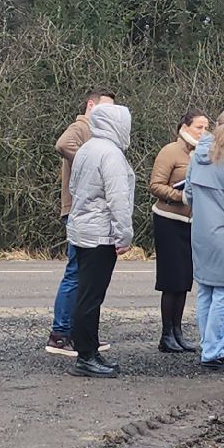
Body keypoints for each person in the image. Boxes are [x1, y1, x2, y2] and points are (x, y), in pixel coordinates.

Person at [64, 100, 135, 378]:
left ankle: (89, 351)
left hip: (82, 230)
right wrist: (124, 234)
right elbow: (118, 198)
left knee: (86, 293)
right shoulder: (111, 155)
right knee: (91, 297)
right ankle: (86, 356)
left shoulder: (87, 149)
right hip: (100, 235)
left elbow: (73, 187)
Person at [48, 88, 115, 357]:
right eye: (105, 108)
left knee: (85, 276)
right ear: (91, 105)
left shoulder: (98, 133)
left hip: (87, 213)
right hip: (77, 210)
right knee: (75, 272)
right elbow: (62, 145)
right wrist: (89, 162)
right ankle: (61, 333)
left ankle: (80, 333)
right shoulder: (80, 126)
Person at [187, 109, 224, 372]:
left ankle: (208, 345)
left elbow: (187, 194)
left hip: (199, 231)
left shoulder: (196, 157)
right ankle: (213, 350)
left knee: (206, 290)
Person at [148, 109, 208, 353]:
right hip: (168, 220)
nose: (203, 132)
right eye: (198, 128)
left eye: (206, 128)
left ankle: (178, 331)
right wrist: (181, 195)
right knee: (171, 280)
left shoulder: (203, 153)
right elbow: (155, 185)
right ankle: (166, 334)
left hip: (191, 224)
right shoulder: (170, 151)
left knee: (184, 280)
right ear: (184, 127)